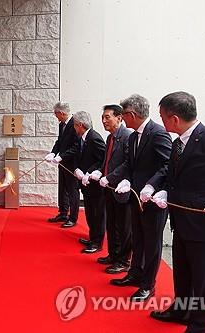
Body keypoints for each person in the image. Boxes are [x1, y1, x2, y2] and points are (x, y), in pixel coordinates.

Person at [150, 92, 205, 332]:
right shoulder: (178, 142)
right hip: (181, 221)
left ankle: (200, 325)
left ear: (175, 118)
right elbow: (174, 175)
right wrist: (163, 190)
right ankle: (181, 310)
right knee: (183, 272)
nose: (162, 122)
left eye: (162, 117)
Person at [105, 94, 172, 302]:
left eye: (123, 115)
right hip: (135, 196)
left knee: (152, 243)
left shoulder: (158, 133)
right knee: (138, 238)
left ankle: (148, 284)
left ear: (131, 114)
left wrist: (152, 185)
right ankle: (135, 274)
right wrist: (116, 178)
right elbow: (129, 164)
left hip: (153, 199)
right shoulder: (134, 136)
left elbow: (167, 165)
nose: (123, 119)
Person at [87, 105, 133, 274]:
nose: (104, 121)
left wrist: (110, 177)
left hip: (121, 188)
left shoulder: (127, 136)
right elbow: (106, 160)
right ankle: (113, 255)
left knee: (124, 227)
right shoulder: (110, 138)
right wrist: (99, 171)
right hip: (108, 188)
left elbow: (128, 163)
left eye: (108, 117)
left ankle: (123, 260)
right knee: (112, 224)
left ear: (119, 118)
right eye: (103, 117)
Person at [72, 111, 106, 254]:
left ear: (80, 125)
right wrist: (78, 169)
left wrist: (89, 172)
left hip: (95, 185)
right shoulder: (83, 138)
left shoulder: (94, 138)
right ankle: (92, 237)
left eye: (74, 125)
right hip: (86, 184)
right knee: (90, 213)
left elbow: (102, 160)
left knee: (97, 214)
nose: (74, 128)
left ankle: (97, 242)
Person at [45, 102, 80, 227]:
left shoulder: (75, 123)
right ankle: (63, 212)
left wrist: (61, 156)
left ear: (61, 113)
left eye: (56, 114)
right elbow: (59, 141)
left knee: (72, 191)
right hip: (62, 162)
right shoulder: (62, 125)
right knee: (63, 188)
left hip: (72, 163)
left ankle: (73, 217)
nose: (56, 116)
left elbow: (77, 146)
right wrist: (53, 153)